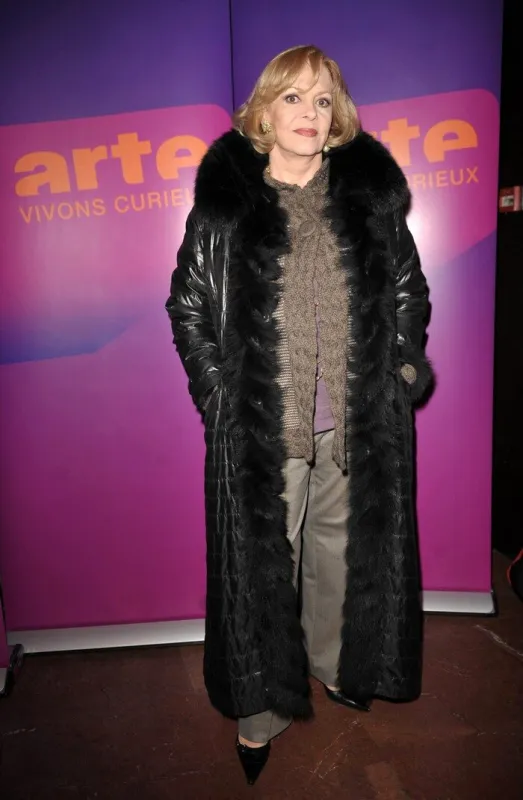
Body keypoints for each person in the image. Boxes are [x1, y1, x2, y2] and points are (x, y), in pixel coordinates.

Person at [166, 44, 434, 786]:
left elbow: (408, 290)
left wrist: (401, 366)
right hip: (262, 428)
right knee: (261, 570)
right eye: (293, 97)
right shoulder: (226, 206)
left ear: (337, 114)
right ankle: (260, 714)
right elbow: (188, 307)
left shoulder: (368, 201)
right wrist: (220, 395)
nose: (310, 113)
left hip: (355, 424)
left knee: (339, 557)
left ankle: (334, 667)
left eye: (322, 100)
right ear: (263, 111)